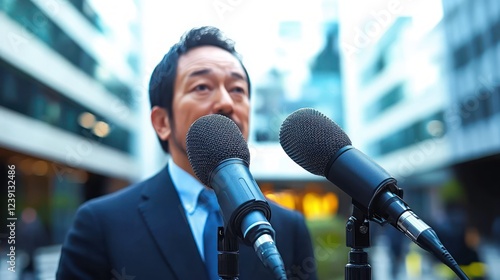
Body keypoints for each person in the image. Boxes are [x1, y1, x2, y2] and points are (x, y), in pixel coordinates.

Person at [56, 26, 318, 280]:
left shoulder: (287, 229)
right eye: (202, 87)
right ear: (162, 122)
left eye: (238, 89)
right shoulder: (100, 225)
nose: (226, 102)